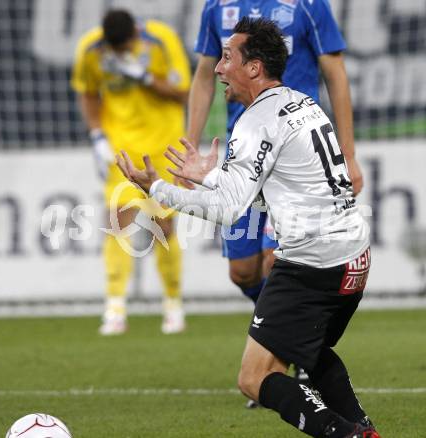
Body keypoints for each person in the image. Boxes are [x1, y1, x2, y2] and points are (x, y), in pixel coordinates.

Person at [116, 17, 380, 438]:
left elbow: (227, 211)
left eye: (226, 58)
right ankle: (363, 427)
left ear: (254, 67)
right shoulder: (301, 102)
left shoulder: (255, 121)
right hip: (353, 258)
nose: (218, 69)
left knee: (254, 377)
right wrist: (212, 174)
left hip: (312, 266)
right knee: (308, 350)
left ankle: (345, 434)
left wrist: (158, 189)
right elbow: (275, 190)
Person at [188, 0, 363, 315]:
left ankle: (289, 346)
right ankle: (281, 327)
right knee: (242, 270)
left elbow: (335, 75)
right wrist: (190, 143)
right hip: (245, 154)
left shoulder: (308, 5)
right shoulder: (216, 6)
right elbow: (204, 77)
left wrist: (347, 154)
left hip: (295, 153)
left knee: (277, 259)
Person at [71, 9, 191, 335]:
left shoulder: (161, 40)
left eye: (124, 47)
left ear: (135, 35)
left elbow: (184, 92)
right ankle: (114, 307)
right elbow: (87, 91)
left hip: (162, 147)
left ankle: (173, 303)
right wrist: (97, 135)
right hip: (121, 149)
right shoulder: (91, 49)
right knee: (116, 222)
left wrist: (146, 77)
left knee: (163, 224)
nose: (119, 54)